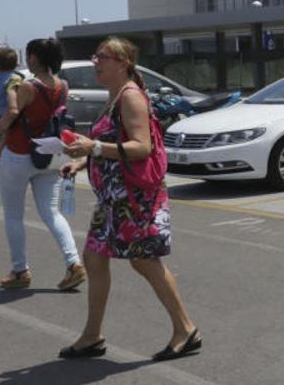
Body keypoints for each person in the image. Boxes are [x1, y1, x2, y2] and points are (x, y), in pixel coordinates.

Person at [58, 37, 201, 361]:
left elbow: (142, 147)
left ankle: (186, 329)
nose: (96, 62)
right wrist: (83, 160)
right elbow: (113, 144)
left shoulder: (131, 97)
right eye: (95, 56)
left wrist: (93, 148)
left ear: (123, 63)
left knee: (144, 261)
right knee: (93, 258)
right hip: (112, 199)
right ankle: (92, 335)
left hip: (134, 198)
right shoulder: (114, 97)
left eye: (103, 57)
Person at [0, 39, 85, 291]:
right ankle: (74, 264)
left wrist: (0, 125)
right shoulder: (62, 85)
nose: (27, 59)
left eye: (29, 55)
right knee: (52, 213)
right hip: (50, 155)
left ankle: (20, 270)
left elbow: (12, 114)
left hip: (19, 154)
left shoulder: (27, 86)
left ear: (34, 57)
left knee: (13, 216)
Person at [0, 46, 24, 178]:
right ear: (15, 64)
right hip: (5, 115)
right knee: (7, 136)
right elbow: (13, 107)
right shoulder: (14, 78)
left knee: (5, 137)